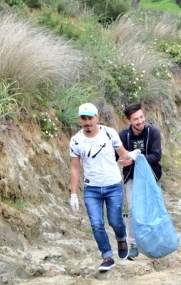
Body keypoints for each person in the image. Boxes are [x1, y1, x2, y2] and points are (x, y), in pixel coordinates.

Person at [69, 103, 138, 271]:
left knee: (115, 221)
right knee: (96, 224)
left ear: (97, 118)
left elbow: (122, 154)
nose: (87, 122)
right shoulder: (76, 140)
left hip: (113, 185)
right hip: (91, 189)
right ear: (79, 120)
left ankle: (121, 239)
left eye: (90, 118)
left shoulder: (109, 133)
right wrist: (73, 194)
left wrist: (133, 155)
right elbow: (75, 167)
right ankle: (107, 256)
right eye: (84, 118)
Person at [116, 103, 162, 260]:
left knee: (154, 208)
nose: (140, 121)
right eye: (136, 119)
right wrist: (124, 159)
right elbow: (116, 156)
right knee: (133, 210)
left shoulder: (153, 131)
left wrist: (135, 158)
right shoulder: (123, 136)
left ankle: (155, 243)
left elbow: (156, 156)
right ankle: (134, 244)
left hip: (151, 176)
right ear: (129, 121)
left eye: (141, 117)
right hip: (132, 177)